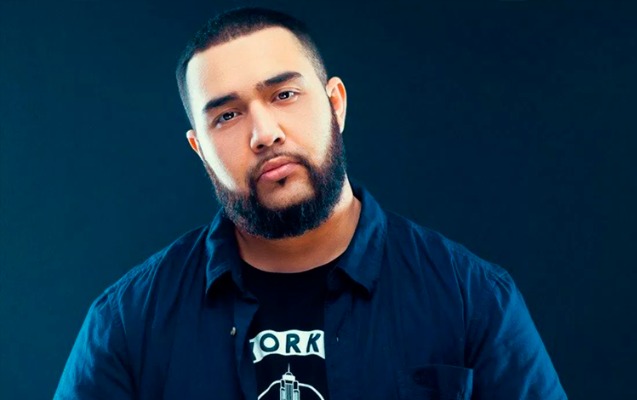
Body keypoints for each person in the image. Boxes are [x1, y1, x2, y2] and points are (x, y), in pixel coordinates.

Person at [54, 7, 567, 400]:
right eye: (227, 116)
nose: (264, 133)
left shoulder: (473, 299)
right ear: (200, 150)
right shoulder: (127, 323)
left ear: (335, 104)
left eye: (284, 95)